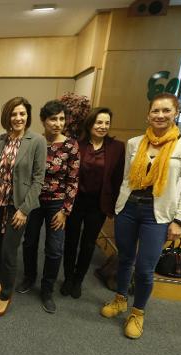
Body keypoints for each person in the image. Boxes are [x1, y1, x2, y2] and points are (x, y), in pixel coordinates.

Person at [101, 93, 181, 339]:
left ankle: (138, 312)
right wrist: (119, 206)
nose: (160, 115)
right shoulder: (135, 143)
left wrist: (179, 220)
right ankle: (120, 299)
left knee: (145, 268)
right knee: (124, 258)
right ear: (148, 114)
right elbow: (126, 177)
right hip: (129, 208)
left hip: (157, 213)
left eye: (166, 110)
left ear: (175, 113)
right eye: (156, 111)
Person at [0, 97, 46, 317]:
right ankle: (3, 282)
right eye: (14, 114)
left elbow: (39, 179)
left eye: (22, 114)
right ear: (7, 117)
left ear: (28, 116)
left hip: (17, 206)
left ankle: (6, 295)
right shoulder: (1, 139)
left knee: (9, 252)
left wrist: (24, 210)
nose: (18, 118)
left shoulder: (37, 141)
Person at [18, 100, 80, 314]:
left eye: (61, 119)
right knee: (29, 242)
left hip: (57, 204)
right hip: (34, 200)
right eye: (53, 119)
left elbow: (73, 181)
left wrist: (65, 211)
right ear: (43, 120)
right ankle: (29, 277)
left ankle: (47, 289)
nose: (58, 123)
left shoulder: (71, 145)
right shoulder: (36, 142)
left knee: (54, 249)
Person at [62, 108, 125, 298]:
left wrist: (114, 206)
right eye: (99, 122)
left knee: (89, 244)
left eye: (106, 123)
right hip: (75, 202)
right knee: (71, 242)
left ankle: (78, 280)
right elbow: (67, 175)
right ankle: (68, 278)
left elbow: (118, 178)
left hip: (98, 205)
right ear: (90, 124)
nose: (103, 126)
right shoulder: (76, 145)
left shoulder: (117, 147)